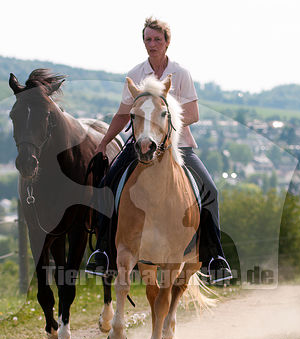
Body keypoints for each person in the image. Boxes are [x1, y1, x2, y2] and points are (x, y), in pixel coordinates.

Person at [86, 17, 232, 284]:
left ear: (167, 42)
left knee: (210, 189)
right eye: (147, 40)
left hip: (177, 144)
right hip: (139, 144)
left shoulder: (181, 73)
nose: (152, 44)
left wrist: (162, 123)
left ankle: (214, 258)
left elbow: (194, 113)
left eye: (157, 39)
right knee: (107, 185)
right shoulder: (136, 73)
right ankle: (103, 252)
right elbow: (122, 114)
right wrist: (104, 141)